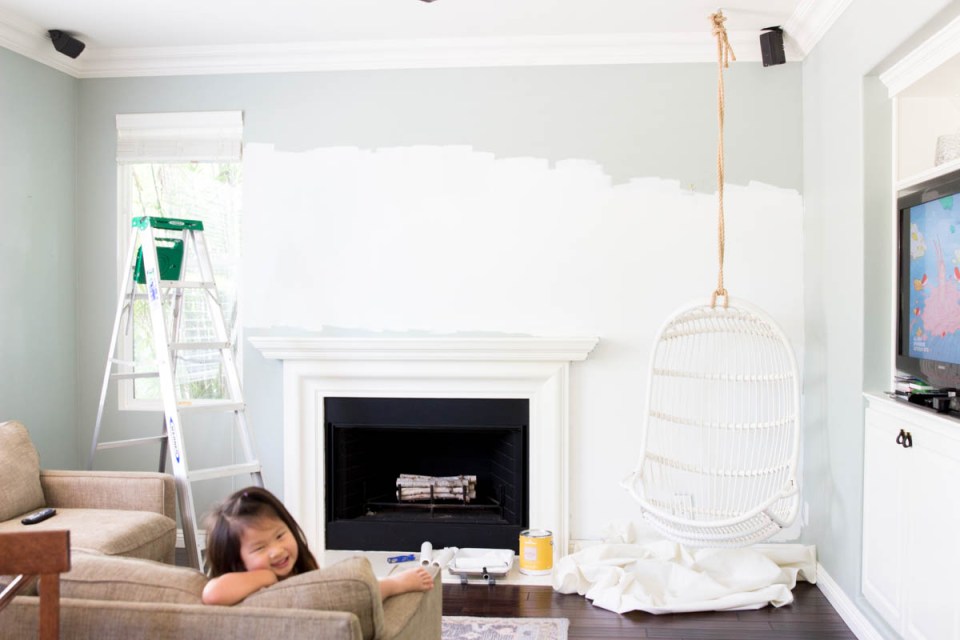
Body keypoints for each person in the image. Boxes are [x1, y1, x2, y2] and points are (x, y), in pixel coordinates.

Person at [202, 486, 434, 606]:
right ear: (235, 559)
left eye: (280, 535)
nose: (277, 550)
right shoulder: (246, 585)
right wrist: (267, 578)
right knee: (356, 591)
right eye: (259, 548)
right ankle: (393, 585)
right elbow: (212, 593)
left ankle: (389, 584)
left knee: (352, 587)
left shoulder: (299, 569)